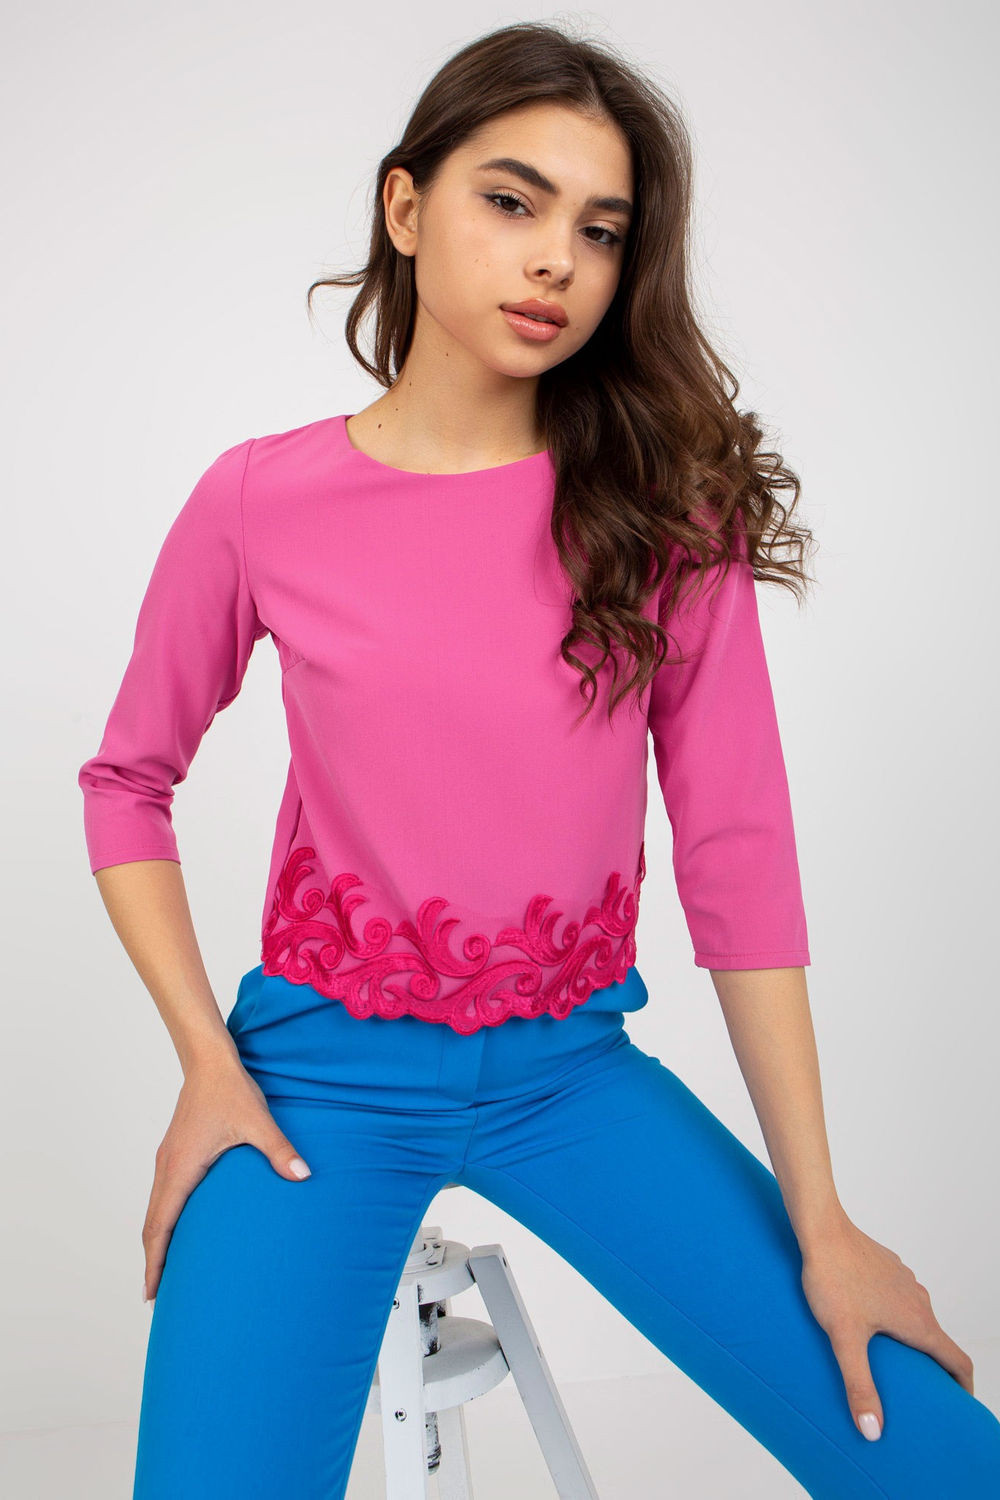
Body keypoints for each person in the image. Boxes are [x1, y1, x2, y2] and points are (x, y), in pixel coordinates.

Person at [77, 20, 1000, 1500]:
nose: (556, 259)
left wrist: (823, 1218)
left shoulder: (665, 510)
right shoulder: (258, 502)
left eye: (601, 229)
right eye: (511, 201)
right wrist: (205, 1064)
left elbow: (738, 855)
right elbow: (126, 782)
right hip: (312, 1082)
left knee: (935, 1455)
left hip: (575, 1078)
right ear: (405, 208)